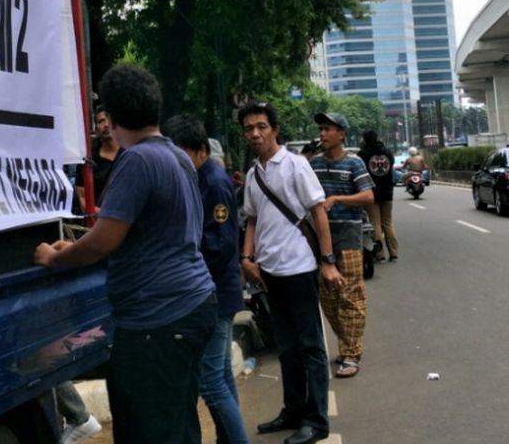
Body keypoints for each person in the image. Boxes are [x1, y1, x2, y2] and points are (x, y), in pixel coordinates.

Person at [33, 64, 215, 444]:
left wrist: (54, 258)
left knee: (148, 429)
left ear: (112, 119)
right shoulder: (175, 156)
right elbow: (140, 232)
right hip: (191, 304)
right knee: (178, 424)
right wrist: (82, 243)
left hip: (157, 319)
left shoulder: (136, 160)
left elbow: (103, 242)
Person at [239, 101, 341, 444]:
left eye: (261, 126)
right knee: (286, 346)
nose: (255, 133)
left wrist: (327, 262)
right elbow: (252, 218)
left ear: (274, 129)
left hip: (299, 267)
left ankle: (317, 420)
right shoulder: (253, 175)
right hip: (268, 272)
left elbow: (318, 211)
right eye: (249, 128)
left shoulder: (295, 165)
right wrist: (246, 257)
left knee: (310, 346)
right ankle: (293, 410)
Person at [161, 113, 249, 444]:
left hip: (215, 293)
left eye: (181, 154)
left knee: (210, 382)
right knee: (221, 375)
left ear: (200, 150)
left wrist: (184, 256)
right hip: (214, 291)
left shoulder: (213, 182)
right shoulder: (199, 177)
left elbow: (222, 245)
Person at [308, 112, 373, 379]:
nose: (322, 134)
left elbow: (369, 196)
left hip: (348, 234)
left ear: (342, 134)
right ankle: (347, 343)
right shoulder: (313, 164)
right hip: (319, 238)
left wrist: (338, 199)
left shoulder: (354, 163)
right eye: (321, 129)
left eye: (328, 129)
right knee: (327, 298)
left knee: (350, 294)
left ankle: (350, 353)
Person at [357, 130, 398, 262]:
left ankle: (380, 254)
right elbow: (391, 165)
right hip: (387, 191)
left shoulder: (363, 154)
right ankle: (394, 252)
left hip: (371, 192)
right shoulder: (387, 152)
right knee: (388, 222)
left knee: (376, 223)